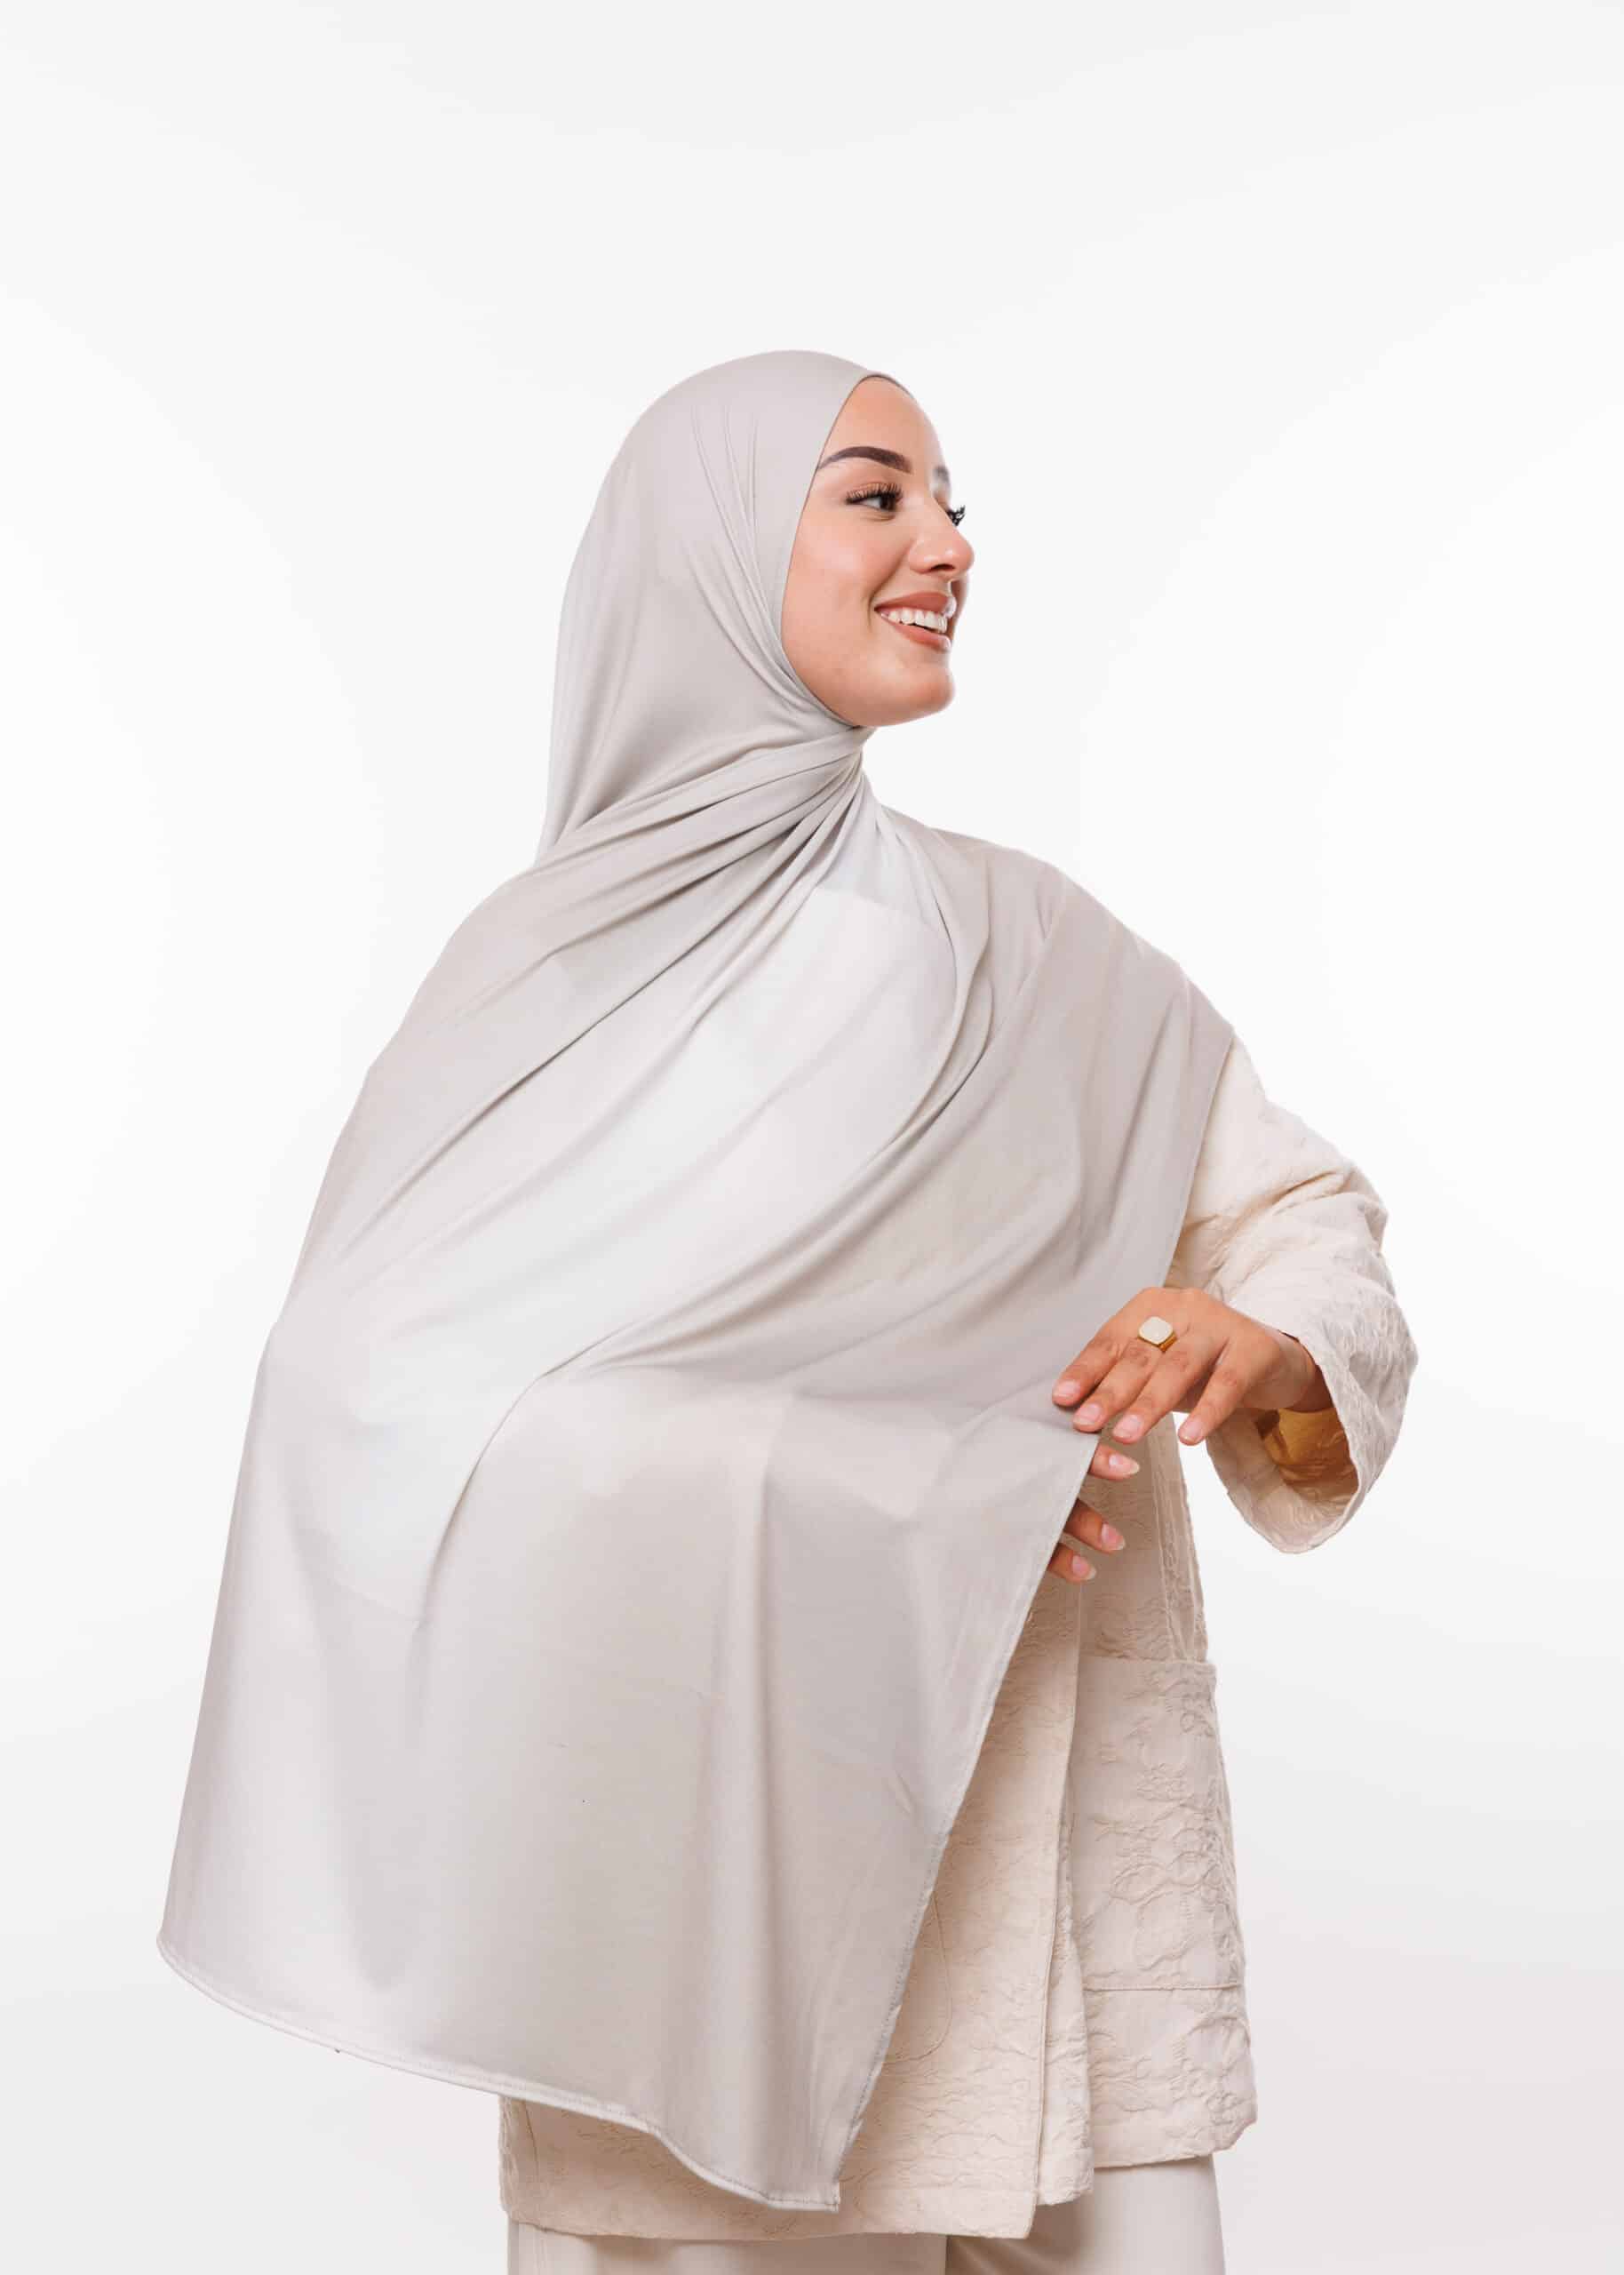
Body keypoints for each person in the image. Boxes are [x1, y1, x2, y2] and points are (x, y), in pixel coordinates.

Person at [155, 353, 1417, 2275]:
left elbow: (1297, 1211)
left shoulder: (1039, 948)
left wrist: (1257, 1338)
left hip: (1057, 1883)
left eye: (950, 501)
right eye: (873, 494)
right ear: (712, 551)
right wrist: (868, 1483)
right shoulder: (552, 981)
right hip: (703, 1916)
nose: (946, 545)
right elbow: (367, 1400)